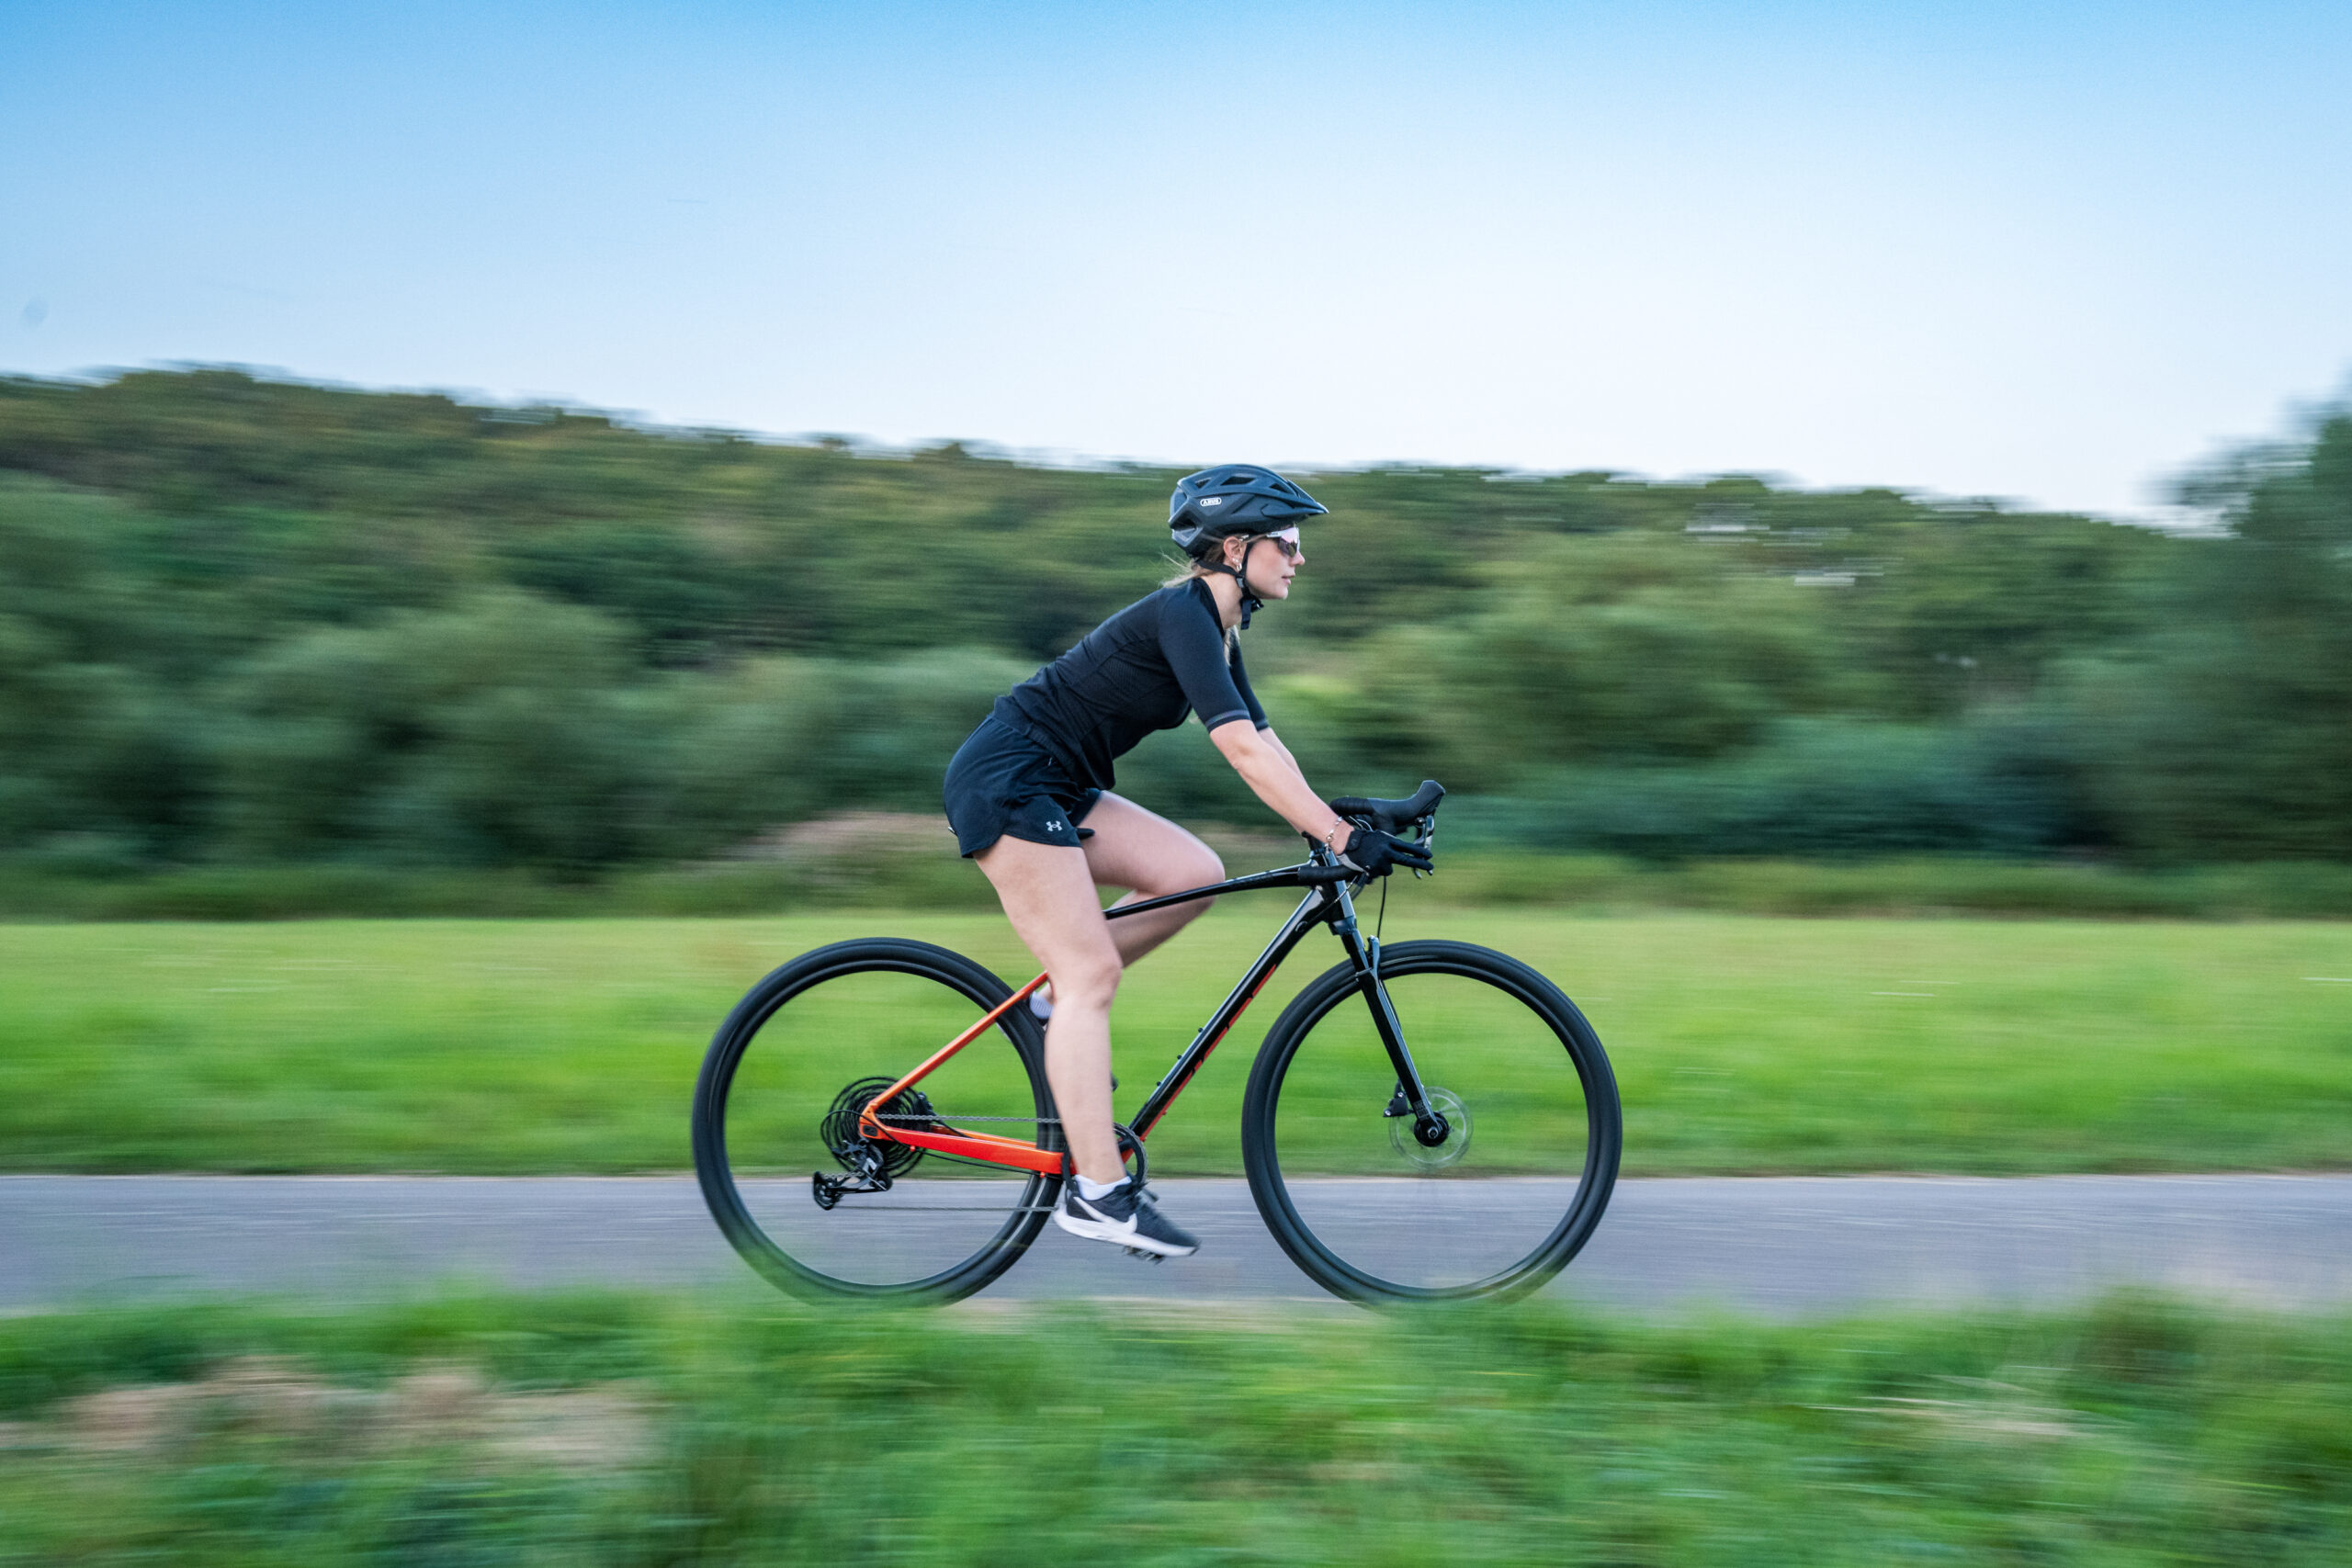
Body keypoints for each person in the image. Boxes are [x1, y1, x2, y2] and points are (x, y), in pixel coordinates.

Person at [941, 464, 1433, 1258]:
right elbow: (1238, 749)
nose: (1300, 556)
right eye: (1287, 541)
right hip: (1009, 782)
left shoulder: (1219, 627)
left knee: (1193, 873)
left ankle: (1048, 1010)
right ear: (1236, 547)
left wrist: (1339, 819)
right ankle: (1098, 1194)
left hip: (1059, 786)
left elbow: (1265, 740)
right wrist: (1339, 839)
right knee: (1092, 974)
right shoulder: (1184, 613)